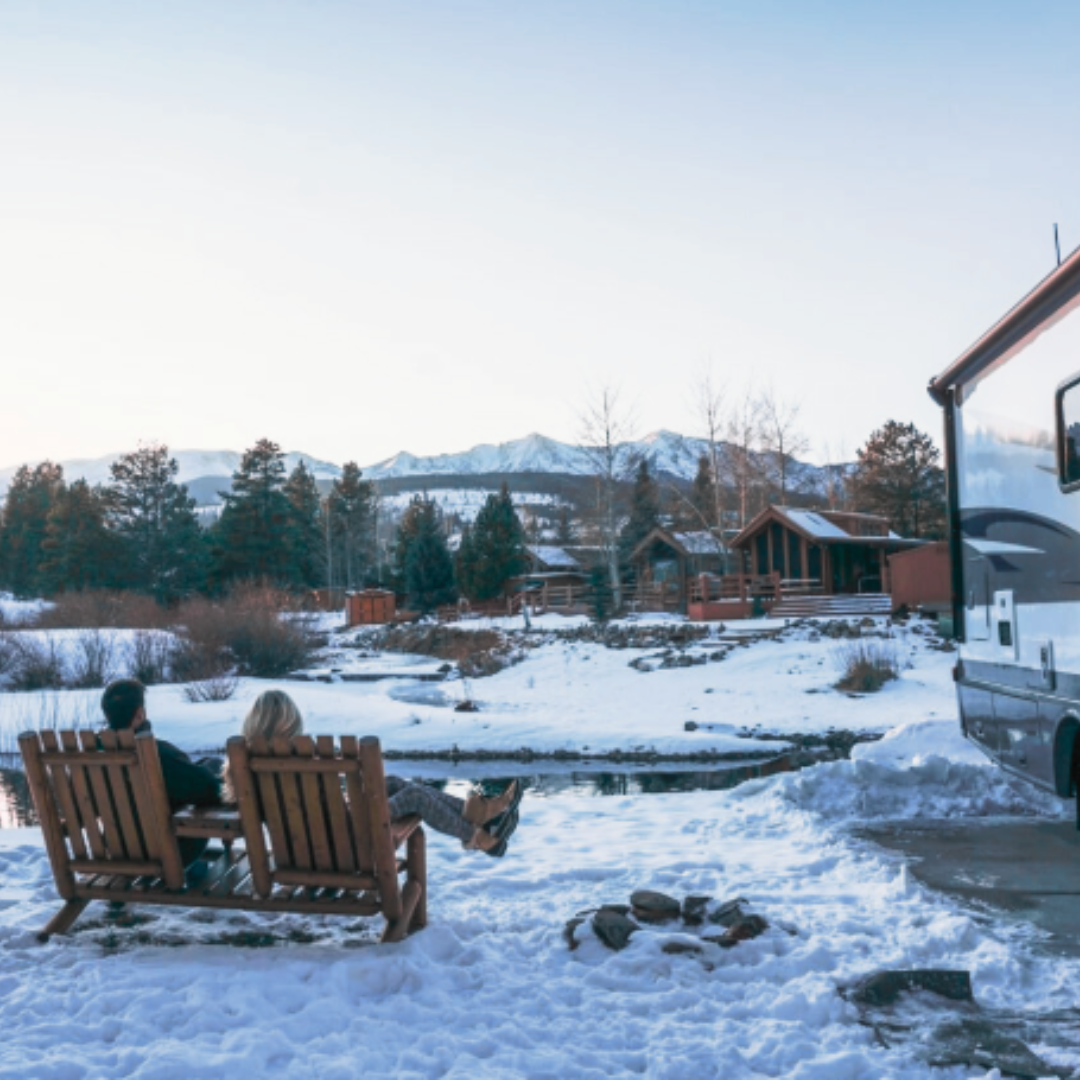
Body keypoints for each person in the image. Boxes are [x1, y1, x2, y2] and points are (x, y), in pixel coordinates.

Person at [222, 689, 521, 856]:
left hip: (325, 828)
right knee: (414, 793)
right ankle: (479, 835)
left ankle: (482, 814)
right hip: (344, 833)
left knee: (392, 782)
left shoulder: (244, 763)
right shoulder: (300, 755)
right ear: (291, 724)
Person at [100, 678, 222, 867]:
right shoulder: (157, 755)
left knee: (206, 767)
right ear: (140, 714)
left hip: (117, 850)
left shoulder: (90, 760)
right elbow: (210, 791)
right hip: (171, 853)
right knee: (210, 774)